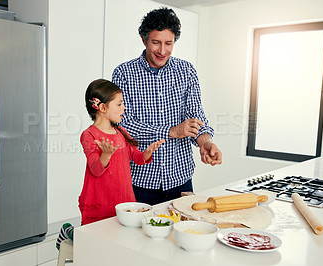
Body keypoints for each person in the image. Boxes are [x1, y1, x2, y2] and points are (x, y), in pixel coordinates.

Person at [112, 7, 222, 206]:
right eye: (156, 42)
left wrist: (205, 142)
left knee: (182, 234)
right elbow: (123, 125)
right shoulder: (124, 74)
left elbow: (195, 114)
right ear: (143, 40)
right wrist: (171, 131)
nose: (162, 51)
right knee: (138, 237)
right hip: (140, 179)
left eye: (168, 43)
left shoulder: (186, 70)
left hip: (180, 177)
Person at [56, 79, 164, 250]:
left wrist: (147, 153)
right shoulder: (89, 135)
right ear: (103, 108)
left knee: (118, 245)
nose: (124, 108)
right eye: (119, 104)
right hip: (99, 202)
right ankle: (69, 233)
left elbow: (136, 157)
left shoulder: (121, 132)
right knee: (94, 244)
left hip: (123, 201)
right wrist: (105, 155)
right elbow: (95, 170)